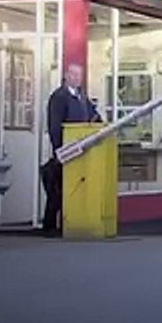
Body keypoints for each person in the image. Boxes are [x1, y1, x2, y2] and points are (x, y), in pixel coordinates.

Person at [40, 63, 103, 236]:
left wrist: (103, 127)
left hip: (81, 149)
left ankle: (63, 224)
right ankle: (49, 226)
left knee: (69, 188)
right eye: (73, 75)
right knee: (57, 189)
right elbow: (55, 125)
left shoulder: (82, 96)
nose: (76, 78)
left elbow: (94, 116)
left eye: (79, 75)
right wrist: (58, 149)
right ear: (66, 75)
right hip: (66, 149)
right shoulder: (59, 97)